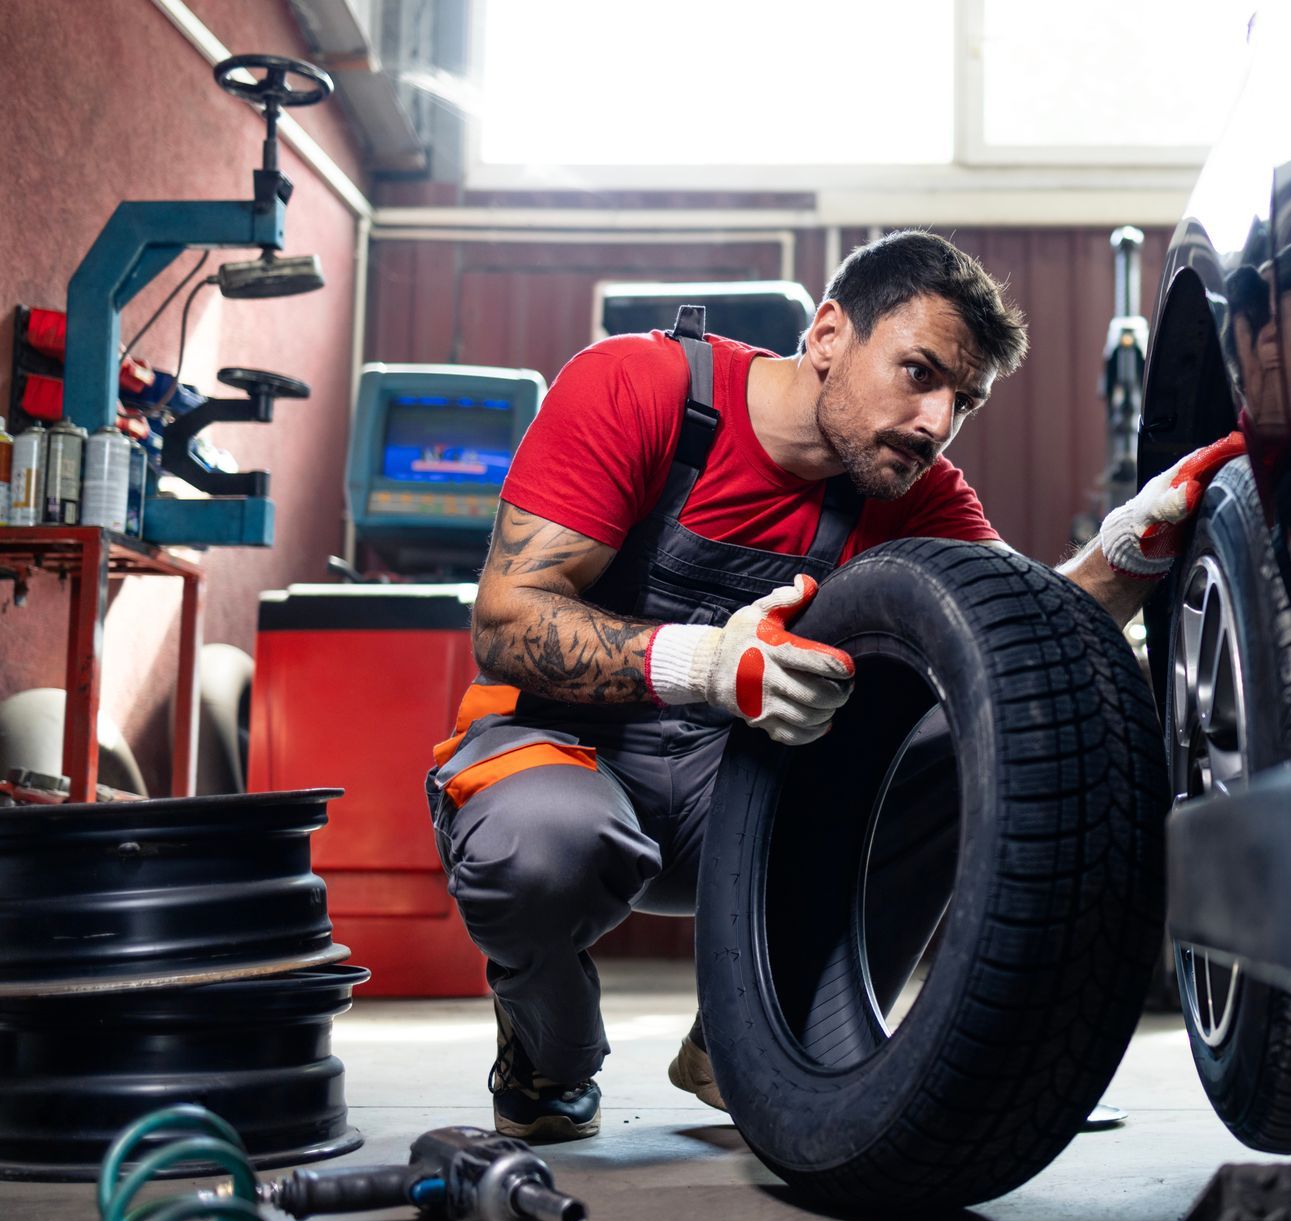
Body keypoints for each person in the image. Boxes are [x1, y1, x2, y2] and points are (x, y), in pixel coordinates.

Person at [426, 230, 1244, 1142]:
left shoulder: (914, 488)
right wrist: (710, 664)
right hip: (560, 754)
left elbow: (1021, 644)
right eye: (919, 373)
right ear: (827, 336)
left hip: (731, 799)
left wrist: (1131, 547)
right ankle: (549, 1060)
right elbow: (505, 621)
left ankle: (757, 1040)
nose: (936, 422)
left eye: (962, 401)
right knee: (539, 850)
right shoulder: (639, 387)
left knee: (968, 745)